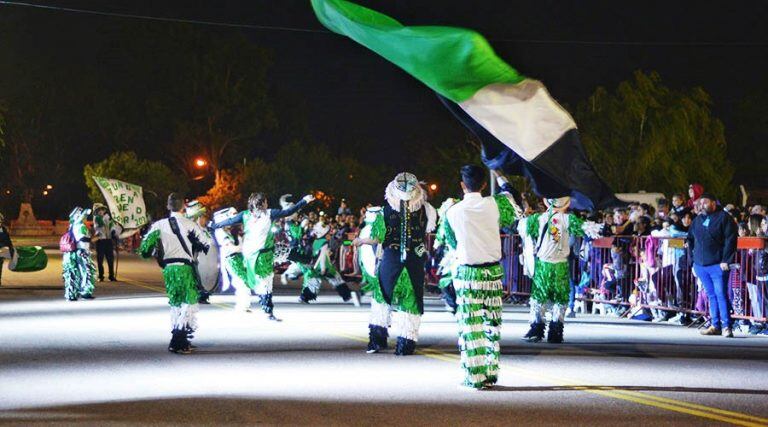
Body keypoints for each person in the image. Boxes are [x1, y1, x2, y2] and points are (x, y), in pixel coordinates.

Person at [441, 166, 522, 389]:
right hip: (493, 272)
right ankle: (490, 372)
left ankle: (474, 376)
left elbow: (452, 243)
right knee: (491, 324)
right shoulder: (494, 204)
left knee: (471, 325)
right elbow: (515, 202)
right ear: (484, 185)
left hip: (468, 273)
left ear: (462, 185)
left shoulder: (451, 211)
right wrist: (500, 174)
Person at [354, 172, 436, 356]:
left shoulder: (384, 211)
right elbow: (426, 235)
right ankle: (405, 345)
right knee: (411, 300)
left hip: (391, 259)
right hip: (415, 260)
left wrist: (361, 241)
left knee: (382, 298)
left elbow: (377, 238)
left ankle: (377, 340)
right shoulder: (428, 210)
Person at [212, 192, 314, 320]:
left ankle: (266, 310)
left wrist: (213, 225)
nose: (267, 204)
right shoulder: (269, 213)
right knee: (265, 281)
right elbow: (289, 211)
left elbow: (229, 221)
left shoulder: (245, 215)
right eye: (266, 201)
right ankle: (267, 311)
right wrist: (304, 200)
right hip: (263, 254)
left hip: (251, 254)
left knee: (266, 278)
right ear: (262, 203)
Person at [519, 197, 602, 343]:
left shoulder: (537, 219)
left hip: (544, 264)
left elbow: (522, 229)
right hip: (560, 265)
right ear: (567, 203)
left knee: (539, 298)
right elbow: (588, 229)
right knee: (560, 298)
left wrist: (524, 215)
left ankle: (536, 328)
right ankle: (555, 330)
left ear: (546, 202)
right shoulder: (568, 219)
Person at [139, 193, 212, 353]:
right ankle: (178, 340)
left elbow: (144, 250)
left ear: (168, 206)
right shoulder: (189, 224)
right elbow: (206, 244)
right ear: (183, 207)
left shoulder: (159, 225)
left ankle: (181, 337)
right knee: (190, 303)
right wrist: (200, 228)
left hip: (168, 270)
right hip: (185, 268)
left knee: (176, 304)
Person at [686, 193, 737, 337]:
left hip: (717, 264)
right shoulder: (697, 220)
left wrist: (726, 260)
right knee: (711, 295)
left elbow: (731, 240)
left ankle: (727, 326)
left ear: (714, 203)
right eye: (700, 203)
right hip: (700, 265)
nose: (702, 205)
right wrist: (693, 261)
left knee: (721, 294)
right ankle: (715, 325)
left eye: (705, 202)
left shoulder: (724, 218)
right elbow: (689, 239)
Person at [300, 221, 360, 305]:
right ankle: (347, 295)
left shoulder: (315, 241)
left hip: (315, 266)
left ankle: (304, 297)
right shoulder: (324, 242)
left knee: (314, 282)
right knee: (337, 280)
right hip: (325, 266)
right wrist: (323, 268)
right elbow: (323, 256)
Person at [212, 207, 251, 312]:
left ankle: (243, 305)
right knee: (241, 282)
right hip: (231, 259)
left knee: (244, 281)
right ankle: (243, 305)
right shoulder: (221, 232)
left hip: (239, 258)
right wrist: (245, 248)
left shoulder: (234, 230)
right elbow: (231, 248)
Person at [62, 207, 96, 301]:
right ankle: (84, 292)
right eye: (79, 213)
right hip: (81, 251)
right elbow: (83, 239)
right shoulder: (78, 224)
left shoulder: (75, 225)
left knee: (75, 272)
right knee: (86, 271)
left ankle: (73, 294)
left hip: (78, 251)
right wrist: (86, 212)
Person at [433, 197, 460, 315]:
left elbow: (440, 238)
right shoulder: (461, 218)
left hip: (453, 255)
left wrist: (435, 247)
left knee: (446, 280)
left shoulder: (446, 221)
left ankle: (453, 303)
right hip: (459, 253)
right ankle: (454, 303)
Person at [91, 203, 119, 282]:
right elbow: (100, 224)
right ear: (96, 212)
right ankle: (101, 276)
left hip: (108, 240)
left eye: (102, 210)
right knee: (100, 259)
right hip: (100, 240)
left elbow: (112, 226)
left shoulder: (107, 217)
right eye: (99, 210)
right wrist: (107, 220)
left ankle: (111, 276)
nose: (101, 211)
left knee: (110, 259)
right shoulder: (96, 218)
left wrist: (113, 232)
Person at [0, 212, 14, 286]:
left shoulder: (4, 229)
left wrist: (11, 250)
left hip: (1, 251)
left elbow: (8, 240)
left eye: (0, 220)